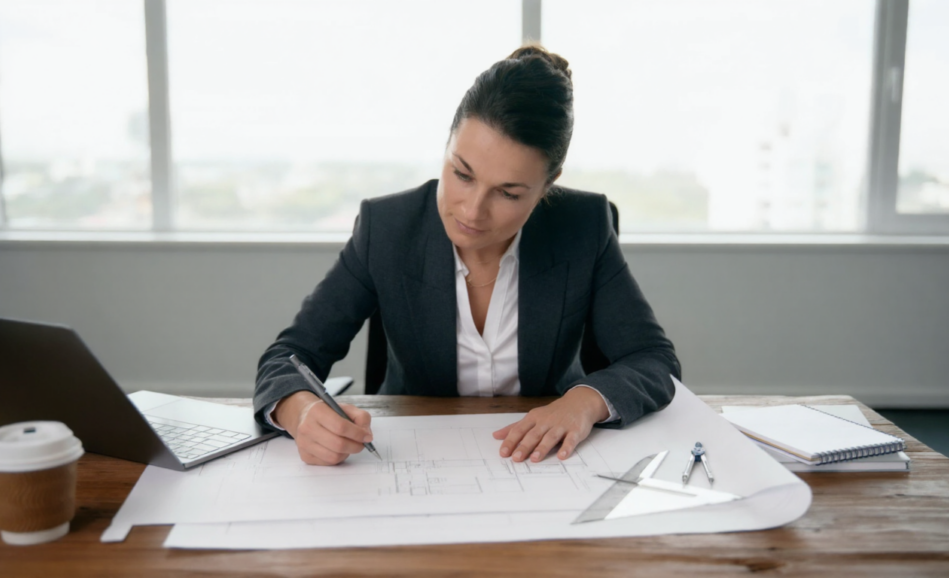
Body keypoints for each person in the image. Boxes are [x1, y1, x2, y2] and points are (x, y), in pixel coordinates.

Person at [254, 45, 680, 467]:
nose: (472, 211)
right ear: (447, 146)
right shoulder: (386, 228)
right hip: (408, 460)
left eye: (509, 193)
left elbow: (653, 360)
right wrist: (303, 413)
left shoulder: (583, 225)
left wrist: (583, 402)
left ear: (548, 185)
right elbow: (289, 356)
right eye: (461, 173)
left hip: (546, 462)